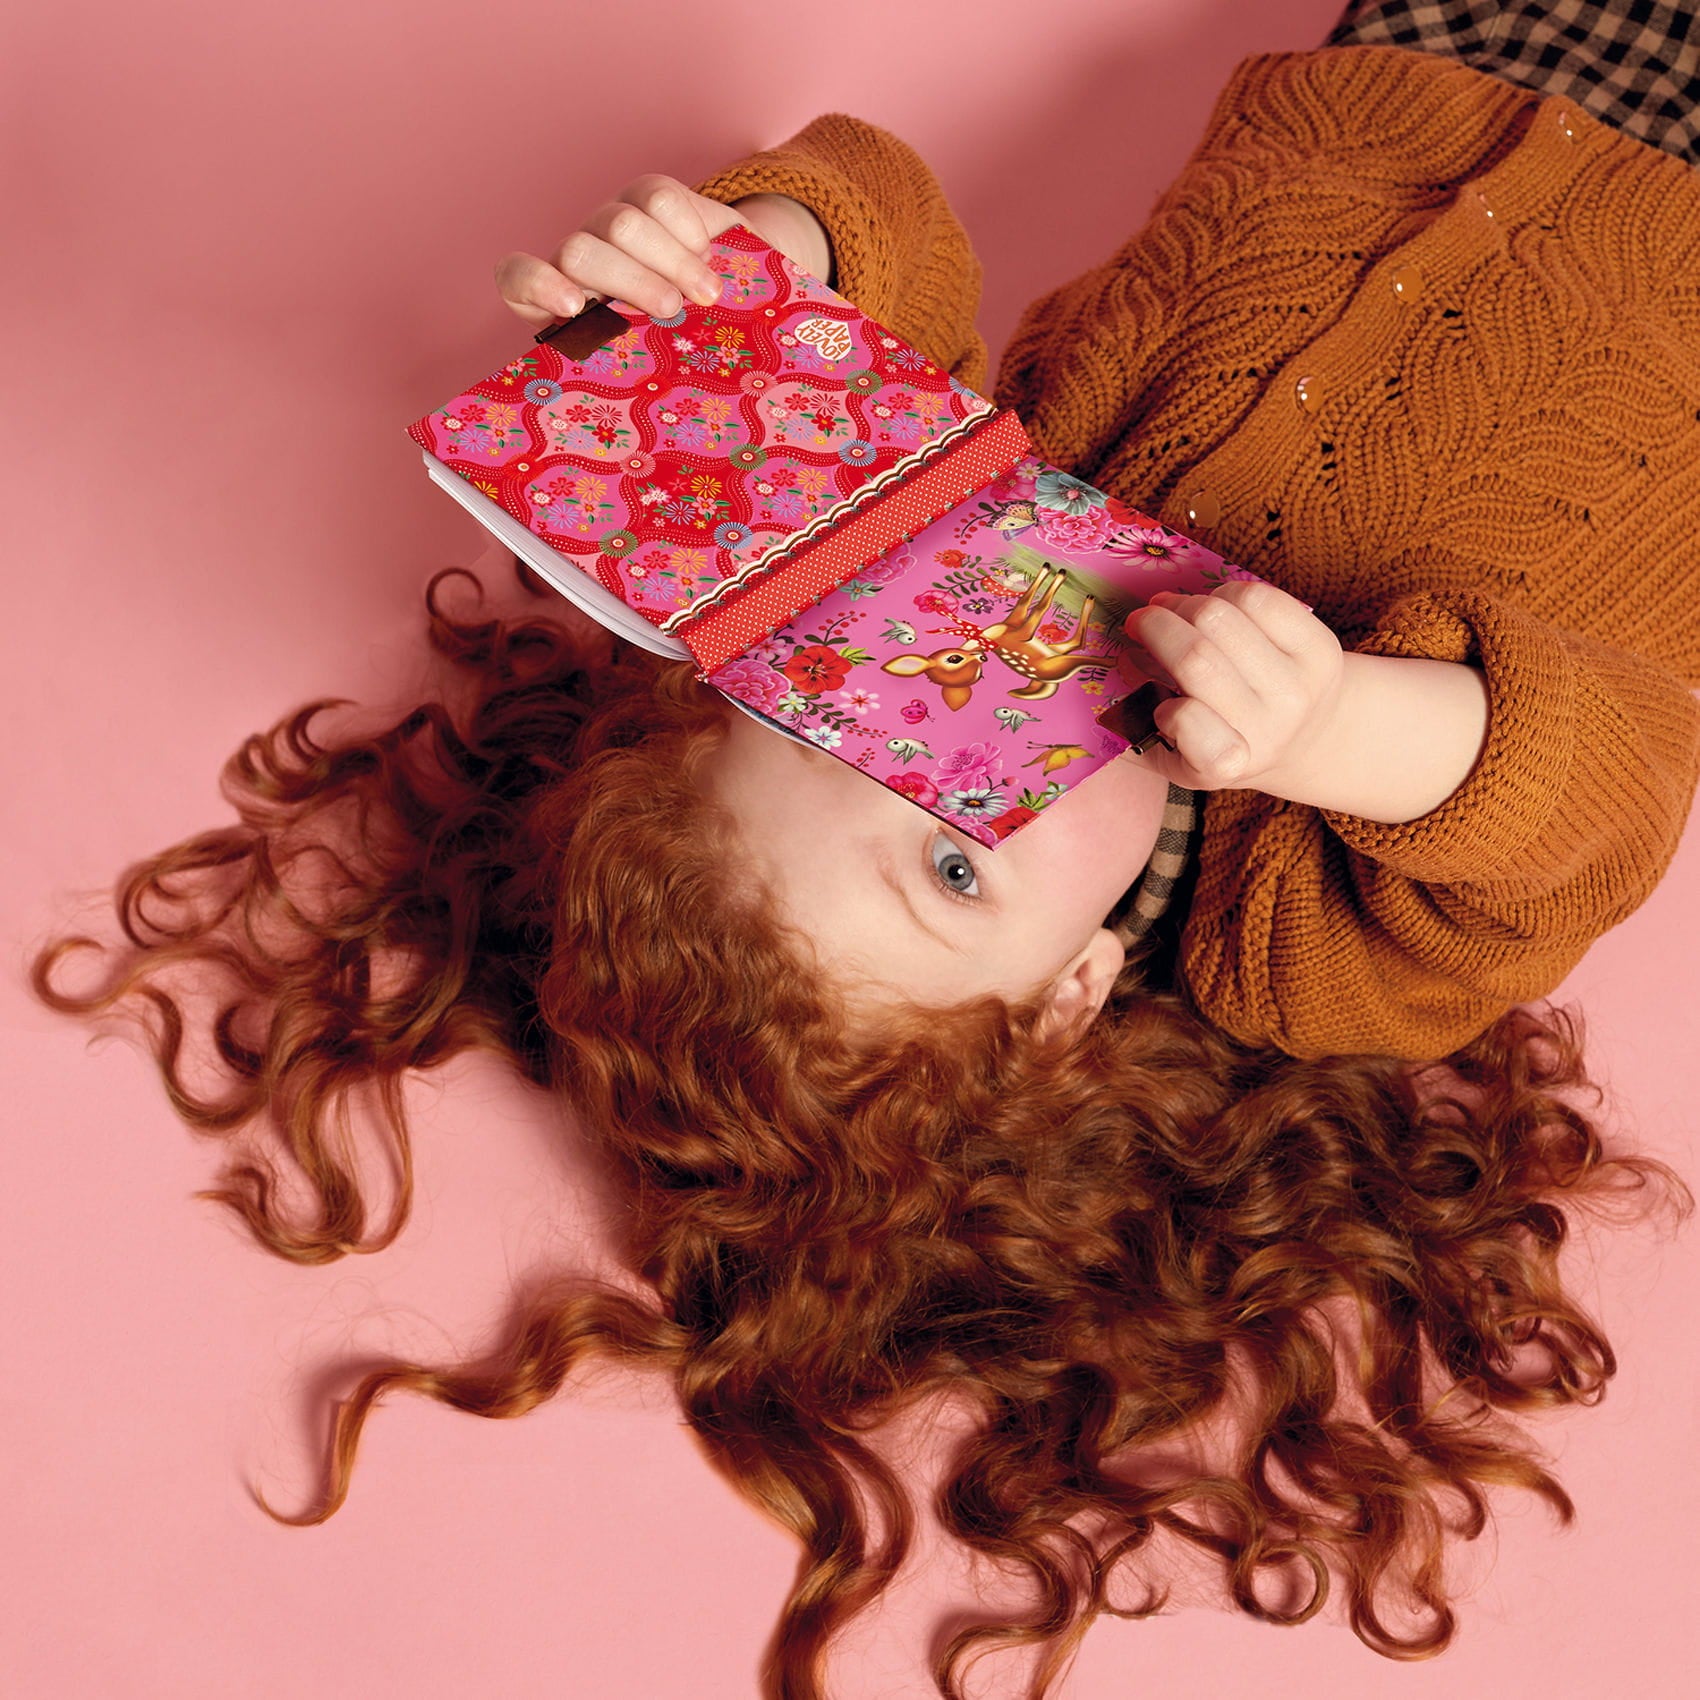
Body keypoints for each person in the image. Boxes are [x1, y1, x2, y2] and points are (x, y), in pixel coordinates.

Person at [29, 7, 1700, 1697]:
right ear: (1068, 996)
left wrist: (753, 268)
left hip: (1436, 61)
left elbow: (890, 220)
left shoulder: (981, 570)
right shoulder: (1304, 939)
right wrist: (1335, 730)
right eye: (957, 869)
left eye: (853, 724)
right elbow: (1610, 796)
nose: (973, 754)